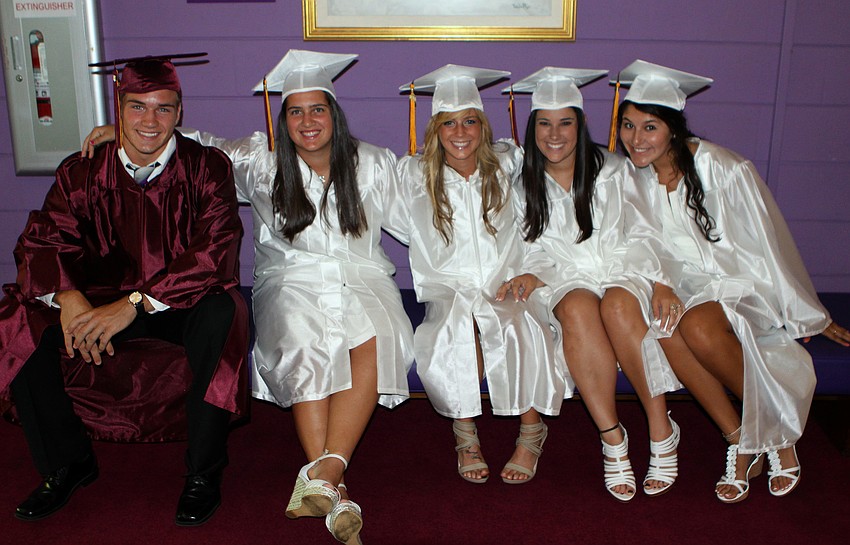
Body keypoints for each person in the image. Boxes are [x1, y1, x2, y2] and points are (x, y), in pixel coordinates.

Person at [85, 49, 413, 544]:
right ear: (283, 119)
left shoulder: (373, 163)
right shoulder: (259, 163)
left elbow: (419, 217)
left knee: (380, 334)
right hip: (289, 279)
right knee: (304, 346)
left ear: (334, 114)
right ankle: (331, 484)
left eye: (317, 109)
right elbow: (198, 144)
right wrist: (130, 134)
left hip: (362, 275)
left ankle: (323, 479)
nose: (307, 121)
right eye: (296, 112)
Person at [0, 55, 249, 526]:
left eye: (163, 109)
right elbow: (44, 239)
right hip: (95, 297)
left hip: (175, 299)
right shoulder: (81, 171)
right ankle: (67, 462)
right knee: (20, 319)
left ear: (180, 112)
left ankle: (203, 473)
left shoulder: (206, 168)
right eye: (137, 107)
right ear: (118, 109)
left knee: (224, 312)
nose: (149, 121)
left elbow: (215, 251)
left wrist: (135, 303)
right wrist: (68, 297)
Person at [612, 59, 850, 503]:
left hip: (742, 284)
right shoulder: (632, 176)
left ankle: (777, 435)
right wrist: (660, 281)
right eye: (628, 126)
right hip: (682, 287)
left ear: (673, 128)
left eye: (649, 127)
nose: (635, 139)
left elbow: (768, 242)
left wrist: (804, 314)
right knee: (664, 326)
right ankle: (740, 437)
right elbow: (635, 242)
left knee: (698, 326)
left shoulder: (723, 167)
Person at [498, 67, 682, 500]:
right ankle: (612, 437)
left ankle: (661, 429)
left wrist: (659, 280)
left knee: (618, 305)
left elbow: (646, 231)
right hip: (564, 276)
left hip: (622, 269)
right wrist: (533, 272)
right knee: (578, 307)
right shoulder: (522, 181)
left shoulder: (616, 170)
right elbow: (528, 245)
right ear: (532, 127)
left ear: (580, 125)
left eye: (566, 122)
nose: (555, 133)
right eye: (544, 122)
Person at [384, 64, 564, 485]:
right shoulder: (412, 175)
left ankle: (532, 431)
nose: (460, 131)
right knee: (450, 331)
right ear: (434, 129)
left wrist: (532, 272)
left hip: (505, 280)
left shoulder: (508, 165)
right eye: (449, 122)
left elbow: (535, 227)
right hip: (448, 286)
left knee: (522, 325)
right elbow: (393, 221)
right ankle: (465, 434)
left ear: (483, 126)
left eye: (470, 121)